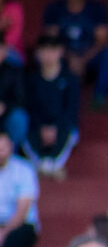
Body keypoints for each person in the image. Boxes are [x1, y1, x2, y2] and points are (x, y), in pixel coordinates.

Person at [44, 0, 108, 109]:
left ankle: (99, 98)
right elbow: (50, 40)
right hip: (64, 56)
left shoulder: (97, 7)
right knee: (43, 54)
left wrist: (82, 61)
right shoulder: (54, 8)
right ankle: (53, 101)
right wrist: (71, 59)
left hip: (90, 55)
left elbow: (101, 40)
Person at [21, 29, 80, 176]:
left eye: (52, 50)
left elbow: (72, 110)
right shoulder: (31, 79)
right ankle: (43, 165)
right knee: (24, 127)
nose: (48, 55)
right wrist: (42, 128)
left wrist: (55, 128)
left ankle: (53, 165)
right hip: (37, 126)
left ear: (60, 52)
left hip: (62, 126)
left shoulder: (70, 79)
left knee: (69, 132)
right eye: (44, 51)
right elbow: (29, 107)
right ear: (38, 53)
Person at [0, 132, 41, 247]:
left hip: (20, 225)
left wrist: (4, 231)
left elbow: (22, 210)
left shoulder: (24, 170)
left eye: (3, 148)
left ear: (11, 147)